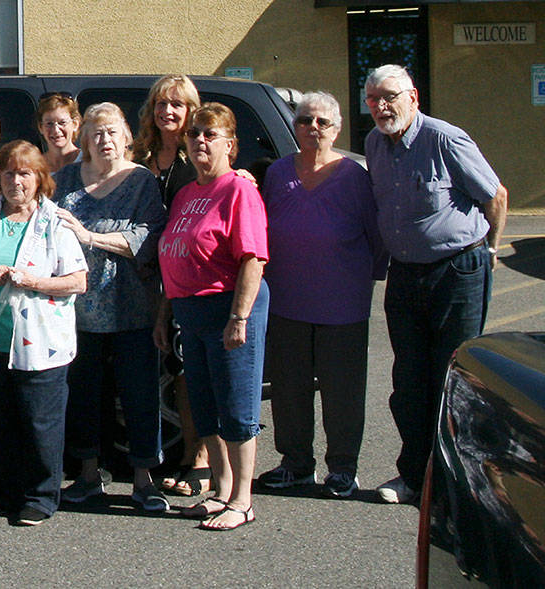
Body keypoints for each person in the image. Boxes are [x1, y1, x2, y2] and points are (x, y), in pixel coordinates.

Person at [362, 65, 507, 504]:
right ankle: (413, 477)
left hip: (457, 271)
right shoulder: (373, 144)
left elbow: (495, 196)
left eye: (389, 96)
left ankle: (460, 486)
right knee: (409, 380)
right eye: (372, 100)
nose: (382, 107)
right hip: (405, 274)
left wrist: (491, 251)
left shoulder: (445, 139)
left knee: (455, 378)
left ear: (413, 97)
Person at [256, 91, 386, 498]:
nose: (313, 128)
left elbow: (376, 235)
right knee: (289, 389)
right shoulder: (277, 173)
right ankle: (296, 463)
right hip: (287, 300)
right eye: (305, 121)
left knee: (342, 390)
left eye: (322, 122)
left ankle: (343, 468)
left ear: (337, 128)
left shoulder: (355, 176)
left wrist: (371, 278)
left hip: (342, 302)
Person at [0, 140, 87, 526]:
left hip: (40, 344)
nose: (16, 181)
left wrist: (33, 281)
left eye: (25, 173)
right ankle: (3, 490)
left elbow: (78, 280)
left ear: (40, 179)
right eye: (10, 173)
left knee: (39, 422)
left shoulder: (55, 221)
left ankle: (42, 495)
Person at [156, 103, 268, 531]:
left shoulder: (239, 190)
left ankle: (243, 500)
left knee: (237, 404)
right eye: (194, 134)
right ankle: (221, 489)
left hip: (229, 308)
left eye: (210, 135)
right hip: (190, 311)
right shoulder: (186, 193)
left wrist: (239, 317)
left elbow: (252, 259)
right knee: (205, 407)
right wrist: (164, 315)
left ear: (230, 146)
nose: (200, 141)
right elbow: (174, 257)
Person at [54, 103, 170, 511]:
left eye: (112, 132)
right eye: (95, 133)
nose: (104, 140)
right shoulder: (63, 179)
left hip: (132, 309)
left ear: (126, 137)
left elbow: (149, 235)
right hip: (75, 312)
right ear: (83, 139)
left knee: (139, 396)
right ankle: (87, 476)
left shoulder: (141, 181)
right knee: (82, 396)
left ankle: (143, 480)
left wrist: (88, 236)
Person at [133, 74, 211, 498]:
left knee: (186, 370)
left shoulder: (197, 154)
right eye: (162, 104)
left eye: (177, 105)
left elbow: (221, 187)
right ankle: (156, 453)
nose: (169, 112)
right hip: (146, 278)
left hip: (187, 275)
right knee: (153, 367)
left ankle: (196, 457)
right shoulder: (141, 154)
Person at [35, 92, 81, 173]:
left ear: (75, 124)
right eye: (49, 123)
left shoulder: (89, 161)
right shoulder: (34, 167)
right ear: (40, 127)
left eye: (62, 123)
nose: (56, 130)